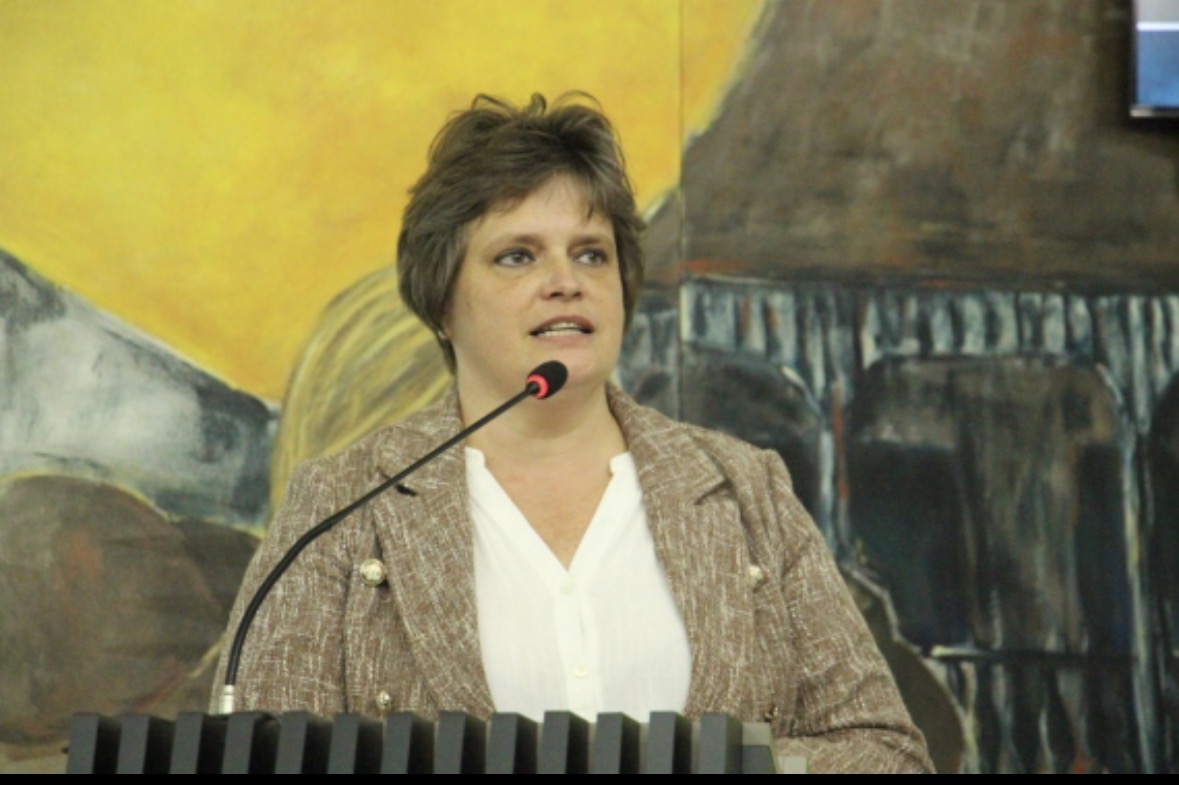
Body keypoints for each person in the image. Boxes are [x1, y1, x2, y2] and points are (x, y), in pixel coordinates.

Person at [213, 93, 933, 773]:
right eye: (518, 255)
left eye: (591, 253)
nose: (566, 279)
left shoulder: (746, 489)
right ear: (441, 302)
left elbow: (884, 752)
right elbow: (260, 757)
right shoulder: (342, 505)